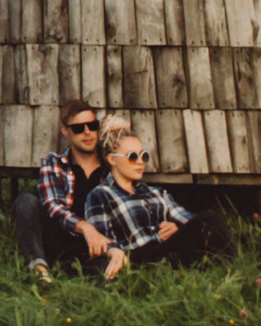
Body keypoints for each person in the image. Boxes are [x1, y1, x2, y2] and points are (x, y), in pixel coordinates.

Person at [82, 131, 239, 277]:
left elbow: (191, 221)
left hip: (167, 251)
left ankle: (235, 269)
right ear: (112, 159)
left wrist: (178, 228)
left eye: (144, 156)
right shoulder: (100, 195)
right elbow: (100, 241)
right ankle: (234, 272)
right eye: (132, 156)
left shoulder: (156, 192)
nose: (140, 162)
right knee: (210, 218)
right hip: (138, 259)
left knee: (221, 227)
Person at [12, 100, 120, 282]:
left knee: (109, 280)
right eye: (78, 128)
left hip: (95, 246)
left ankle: (80, 273)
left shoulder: (112, 164)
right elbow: (53, 207)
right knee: (25, 201)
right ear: (65, 131)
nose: (87, 132)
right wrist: (85, 227)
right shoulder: (54, 162)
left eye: (92, 126)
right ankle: (40, 271)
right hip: (58, 239)